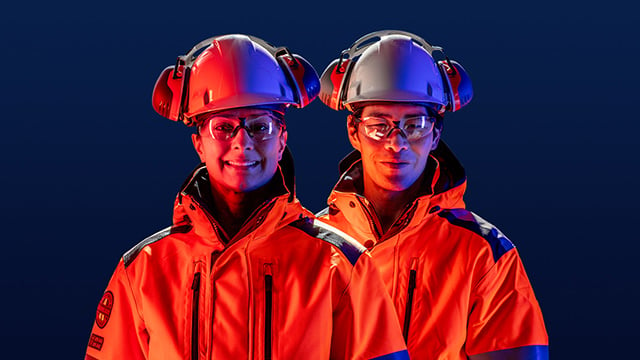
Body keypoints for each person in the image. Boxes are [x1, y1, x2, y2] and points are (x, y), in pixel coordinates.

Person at [85, 34, 408, 360]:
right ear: (199, 145)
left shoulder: (342, 266)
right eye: (223, 127)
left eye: (259, 126)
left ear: (282, 140)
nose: (242, 143)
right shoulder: (144, 271)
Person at [317, 30, 549, 359]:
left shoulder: (484, 254)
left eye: (415, 124)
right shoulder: (312, 247)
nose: (396, 143)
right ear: (354, 132)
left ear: (436, 134)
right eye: (379, 125)